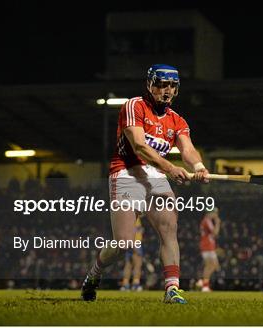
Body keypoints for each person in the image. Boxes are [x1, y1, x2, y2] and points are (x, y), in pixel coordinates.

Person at [81, 64, 209, 304]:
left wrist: (199, 167)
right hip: (127, 172)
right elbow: (139, 146)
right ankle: (94, 275)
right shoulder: (134, 106)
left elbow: (188, 149)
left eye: (172, 85)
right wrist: (170, 168)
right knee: (124, 243)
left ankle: (172, 289)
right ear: (150, 85)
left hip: (156, 177)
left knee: (169, 230)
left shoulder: (177, 120)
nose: (166, 90)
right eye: (161, 84)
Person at [197, 207, 221, 292]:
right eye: (215, 213)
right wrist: (218, 223)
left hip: (208, 246)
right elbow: (215, 233)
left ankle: (203, 283)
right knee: (211, 265)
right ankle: (204, 285)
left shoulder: (206, 221)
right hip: (207, 246)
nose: (215, 215)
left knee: (213, 266)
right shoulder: (207, 221)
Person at [120, 216, 144, 291]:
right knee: (137, 264)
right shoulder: (135, 218)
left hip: (129, 242)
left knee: (128, 265)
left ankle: (125, 284)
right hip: (135, 243)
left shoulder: (129, 217)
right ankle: (135, 284)